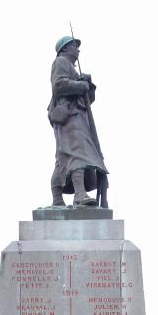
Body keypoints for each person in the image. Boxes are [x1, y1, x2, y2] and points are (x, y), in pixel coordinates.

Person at [48, 36, 109, 207]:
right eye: (75, 46)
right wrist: (79, 85)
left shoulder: (71, 68)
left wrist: (87, 85)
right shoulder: (61, 61)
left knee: (64, 156)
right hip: (68, 116)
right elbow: (58, 86)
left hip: (77, 116)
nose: (78, 50)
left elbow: (88, 99)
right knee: (77, 151)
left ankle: (57, 197)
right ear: (65, 48)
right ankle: (79, 194)